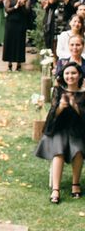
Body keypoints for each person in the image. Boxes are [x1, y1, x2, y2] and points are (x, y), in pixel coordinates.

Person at [35, 62, 85, 204]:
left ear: (79, 75)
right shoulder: (59, 90)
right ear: (63, 75)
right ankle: (55, 189)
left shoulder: (84, 92)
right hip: (59, 130)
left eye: (73, 73)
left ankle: (76, 184)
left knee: (78, 151)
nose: (70, 76)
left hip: (78, 130)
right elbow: (51, 118)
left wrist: (75, 106)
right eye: (67, 73)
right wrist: (60, 108)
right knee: (59, 152)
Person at [2, 0, 30, 71]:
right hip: (11, 23)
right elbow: (7, 10)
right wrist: (16, 6)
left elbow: (27, 12)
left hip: (21, 23)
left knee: (20, 43)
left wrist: (22, 6)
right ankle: (9, 64)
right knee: (9, 42)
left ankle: (19, 64)